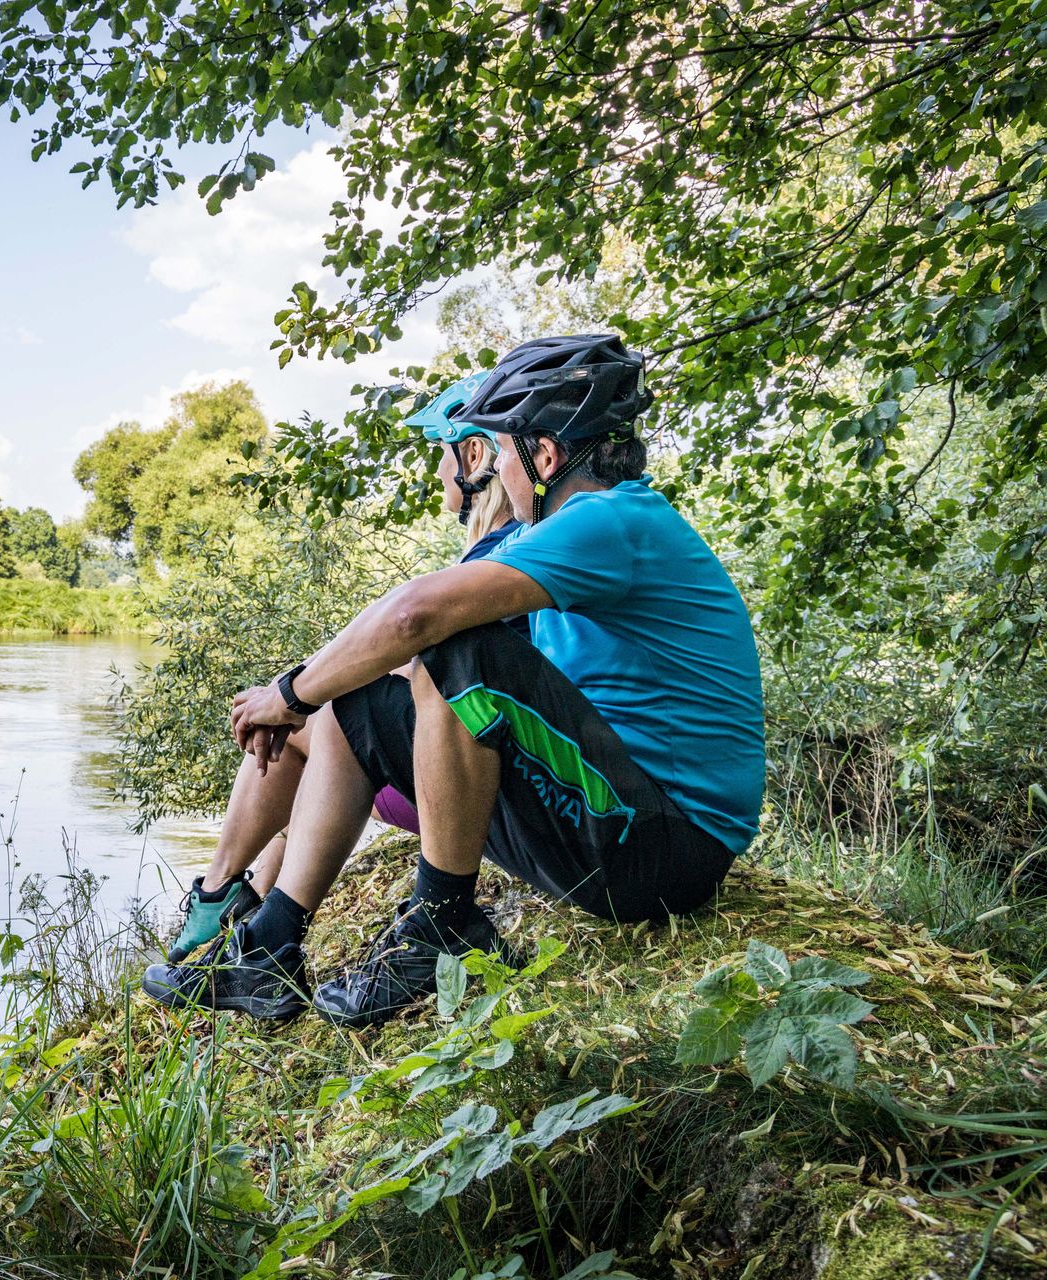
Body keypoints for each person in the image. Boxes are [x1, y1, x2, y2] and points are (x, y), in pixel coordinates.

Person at [144, 333, 766, 1028]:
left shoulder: (612, 520)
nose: (499, 464)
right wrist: (311, 692)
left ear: (547, 454)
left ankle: (441, 926)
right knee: (363, 696)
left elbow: (418, 615)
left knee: (459, 644)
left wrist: (287, 695)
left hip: (669, 849)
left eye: (503, 448)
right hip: (612, 824)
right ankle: (269, 947)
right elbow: (401, 644)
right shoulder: (564, 535)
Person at [161, 370, 523, 964]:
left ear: (475, 455)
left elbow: (439, 678)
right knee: (305, 726)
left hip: (471, 784)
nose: (436, 472)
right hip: (474, 769)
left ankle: (225, 894)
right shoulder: (500, 552)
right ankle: (241, 898)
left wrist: (294, 697)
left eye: (440, 454)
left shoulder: (506, 558)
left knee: (322, 721)